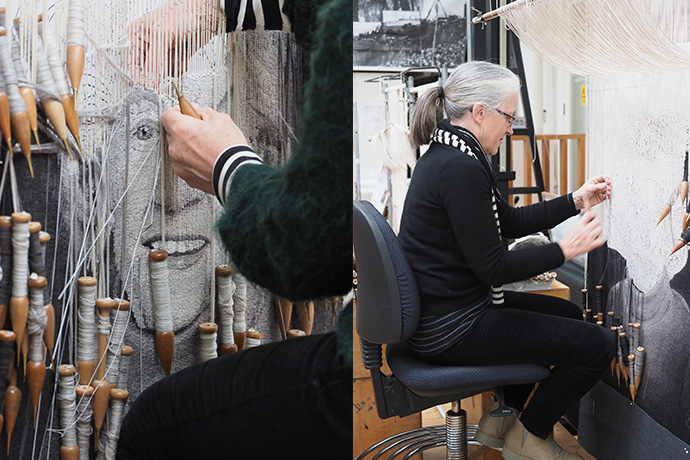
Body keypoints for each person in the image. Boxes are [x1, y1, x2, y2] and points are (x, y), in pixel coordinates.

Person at [116, 0, 351, 458]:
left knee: (151, 424)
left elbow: (310, 254)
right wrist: (209, 10)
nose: (173, 200)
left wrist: (230, 167)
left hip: (360, 374)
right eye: (141, 132)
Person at [398, 60, 615, 460]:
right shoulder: (459, 167)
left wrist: (575, 201)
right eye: (508, 116)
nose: (511, 127)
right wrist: (565, 249)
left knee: (567, 317)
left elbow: (509, 221)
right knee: (600, 345)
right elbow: (494, 268)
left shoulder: (455, 153)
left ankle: (505, 418)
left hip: (449, 313)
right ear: (479, 112)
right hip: (451, 328)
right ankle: (529, 434)